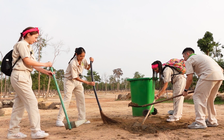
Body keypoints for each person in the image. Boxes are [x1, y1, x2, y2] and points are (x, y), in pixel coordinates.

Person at [7, 27, 53, 139]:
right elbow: (27, 61)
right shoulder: (21, 44)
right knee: (32, 102)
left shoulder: (28, 47)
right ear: (28, 35)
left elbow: (32, 65)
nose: (36, 40)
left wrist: (45, 71)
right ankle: (35, 131)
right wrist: (46, 64)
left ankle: (13, 132)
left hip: (25, 76)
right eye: (35, 37)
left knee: (19, 105)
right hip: (19, 75)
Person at [182, 47, 224, 129]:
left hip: (208, 75)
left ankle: (200, 122)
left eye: (184, 57)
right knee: (209, 99)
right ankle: (212, 121)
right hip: (219, 76)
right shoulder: (204, 57)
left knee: (198, 97)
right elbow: (221, 69)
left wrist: (185, 90)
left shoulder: (190, 59)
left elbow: (189, 78)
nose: (184, 59)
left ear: (187, 54)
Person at [56, 47, 95, 127]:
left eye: (83, 56)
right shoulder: (73, 63)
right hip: (69, 81)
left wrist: (91, 63)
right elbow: (74, 77)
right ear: (76, 54)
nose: (82, 58)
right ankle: (59, 120)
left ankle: (82, 118)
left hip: (78, 81)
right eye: (80, 56)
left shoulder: (83, 60)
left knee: (81, 99)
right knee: (67, 99)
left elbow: (87, 68)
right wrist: (88, 82)